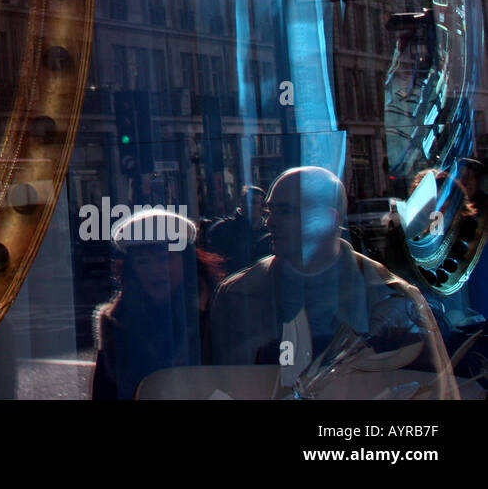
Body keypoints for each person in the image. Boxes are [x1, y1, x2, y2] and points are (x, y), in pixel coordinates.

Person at [208, 165, 456, 398]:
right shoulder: (236, 295)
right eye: (269, 210)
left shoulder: (396, 299)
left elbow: (430, 389)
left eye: (285, 211)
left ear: (328, 218)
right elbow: (219, 386)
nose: (269, 222)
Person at [91, 208, 223, 400]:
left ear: (185, 260)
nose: (154, 270)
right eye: (143, 262)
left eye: (164, 258)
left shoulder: (217, 309)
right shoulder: (118, 322)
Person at [207, 185, 271, 276]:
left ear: (263, 207)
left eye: (254, 202)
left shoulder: (269, 231)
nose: (249, 205)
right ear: (241, 204)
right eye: (245, 202)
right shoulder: (224, 228)